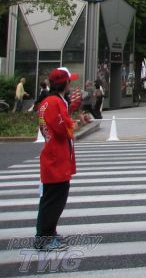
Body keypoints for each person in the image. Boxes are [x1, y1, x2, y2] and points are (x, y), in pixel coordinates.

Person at [35, 68, 79, 251]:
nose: (71, 83)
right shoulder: (54, 102)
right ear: (65, 83)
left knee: (52, 198)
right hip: (56, 157)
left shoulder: (48, 101)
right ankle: (43, 238)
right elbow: (62, 128)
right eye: (69, 80)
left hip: (54, 155)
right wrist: (73, 125)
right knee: (54, 200)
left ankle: (49, 232)